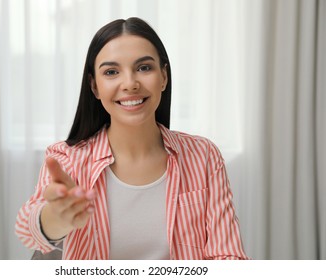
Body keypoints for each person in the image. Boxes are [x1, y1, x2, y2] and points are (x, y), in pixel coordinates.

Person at [15, 17, 249, 260]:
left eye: (144, 68)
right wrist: (55, 220)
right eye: (112, 72)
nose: (130, 84)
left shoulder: (203, 156)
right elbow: (27, 230)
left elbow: (229, 256)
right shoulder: (67, 159)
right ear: (94, 87)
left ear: (164, 77)